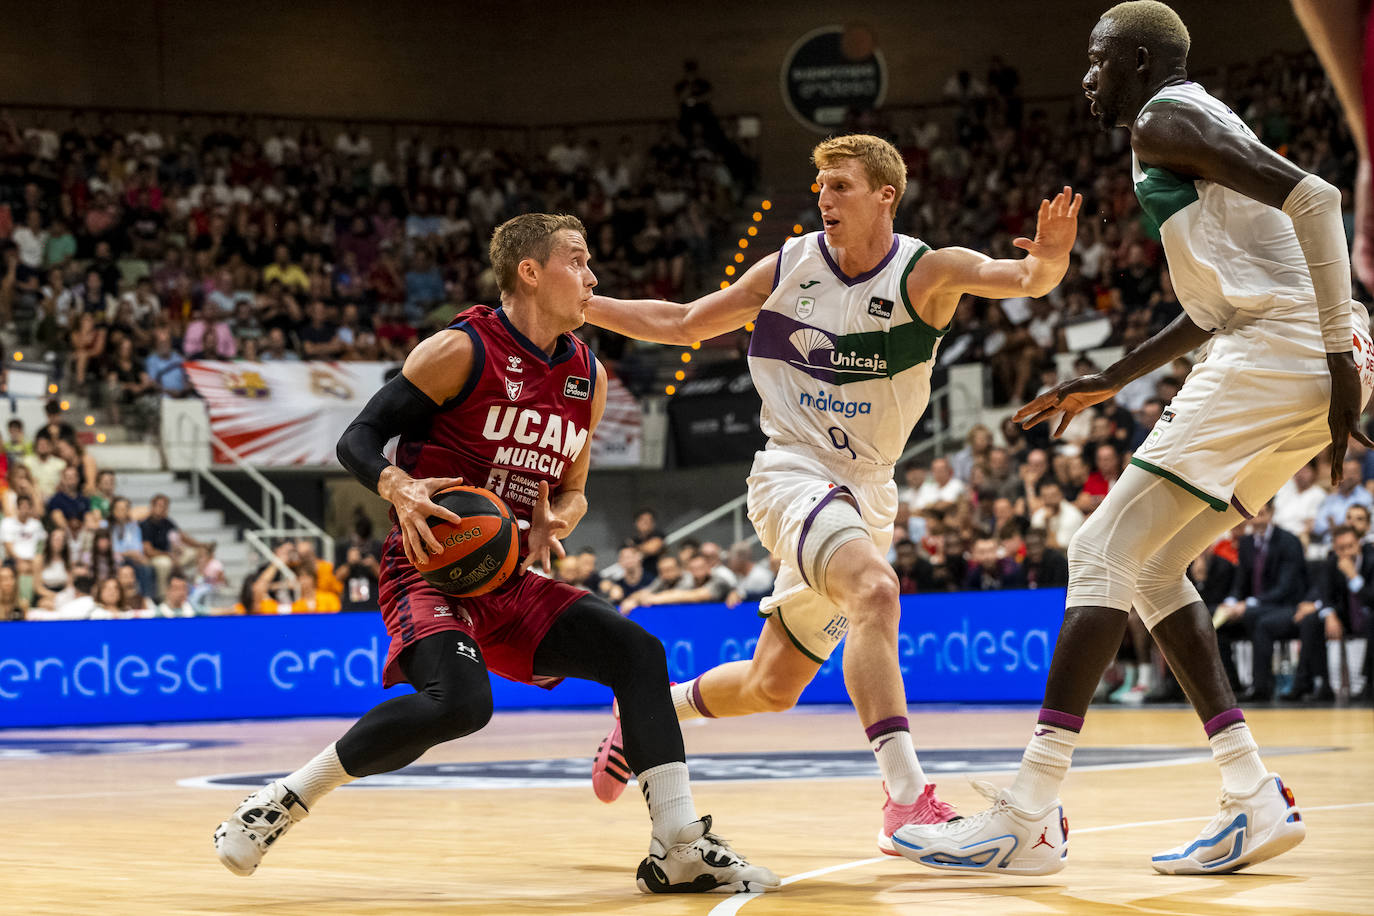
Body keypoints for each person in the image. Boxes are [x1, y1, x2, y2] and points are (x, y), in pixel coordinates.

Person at [896, 1, 1369, 878]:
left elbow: (1320, 196)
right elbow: (1211, 308)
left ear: (1142, 61)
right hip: (1288, 347)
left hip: (1291, 348)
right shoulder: (1181, 126)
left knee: (1095, 550)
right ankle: (1252, 796)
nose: (1085, 77)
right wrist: (1109, 378)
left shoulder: (1166, 114)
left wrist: (1336, 350)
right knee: (1148, 567)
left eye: (1098, 58)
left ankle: (1028, 815)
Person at [213, 213, 776, 894]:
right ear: (530, 272)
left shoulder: (586, 375)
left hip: (511, 573)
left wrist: (556, 520)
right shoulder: (459, 349)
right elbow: (357, 439)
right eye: (577, 260)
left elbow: (574, 490)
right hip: (430, 565)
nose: (593, 277)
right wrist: (398, 486)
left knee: (640, 653)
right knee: (461, 705)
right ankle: (280, 801)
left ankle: (678, 845)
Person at [584, 131, 1081, 852]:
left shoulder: (927, 271)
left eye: (840, 186)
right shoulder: (789, 266)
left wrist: (1054, 257)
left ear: (886, 194)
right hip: (791, 472)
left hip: (866, 492)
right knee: (876, 591)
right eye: (819, 188)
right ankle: (908, 802)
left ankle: (648, 715)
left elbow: (1025, 280)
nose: (824, 199)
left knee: (770, 686)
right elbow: (687, 322)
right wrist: (587, 308)